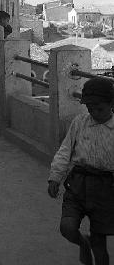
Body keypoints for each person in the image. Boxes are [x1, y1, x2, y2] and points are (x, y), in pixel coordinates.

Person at [48, 77, 114, 265]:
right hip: (78, 184)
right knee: (67, 227)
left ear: (112, 104)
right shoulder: (79, 123)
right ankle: (82, 242)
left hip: (105, 189)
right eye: (89, 108)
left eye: (99, 108)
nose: (93, 112)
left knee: (100, 244)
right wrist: (55, 177)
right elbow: (65, 151)